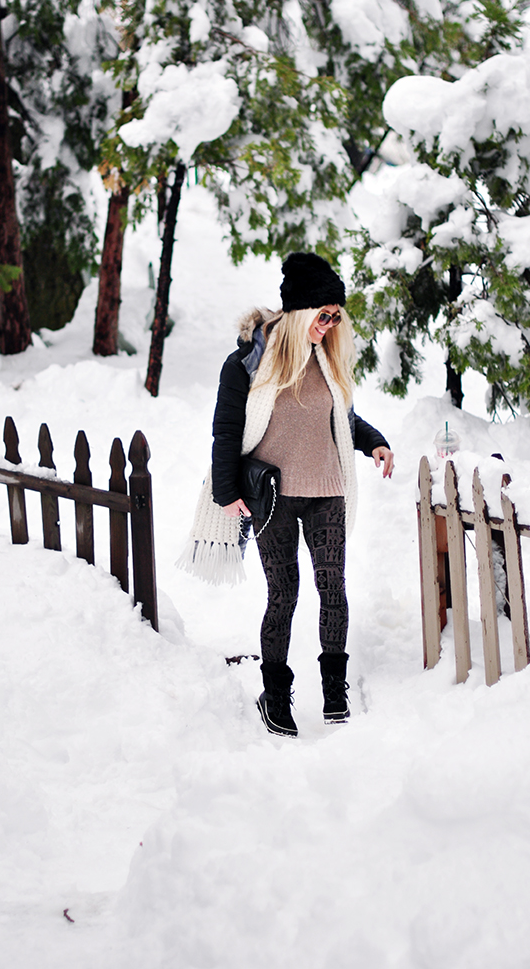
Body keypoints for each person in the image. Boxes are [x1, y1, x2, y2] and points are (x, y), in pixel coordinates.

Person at [177, 252, 393, 738]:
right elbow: (227, 430)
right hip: (272, 497)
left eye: (337, 316)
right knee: (284, 595)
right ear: (300, 314)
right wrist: (227, 491)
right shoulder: (249, 363)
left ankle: (335, 694)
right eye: (324, 315)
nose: (332, 324)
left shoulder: (327, 357)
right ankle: (275, 698)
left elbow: (342, 420)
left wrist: (374, 441)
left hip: (327, 492)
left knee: (332, 587)